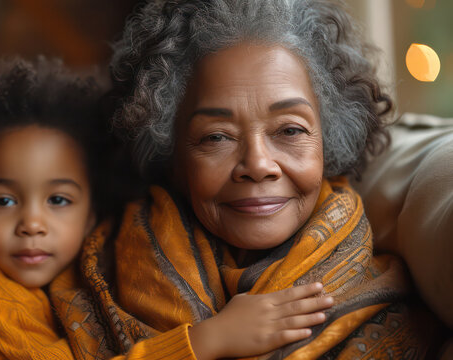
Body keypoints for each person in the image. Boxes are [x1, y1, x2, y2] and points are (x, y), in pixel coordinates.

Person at [0, 59, 333, 360]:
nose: (32, 223)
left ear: (91, 217)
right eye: (3, 201)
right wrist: (205, 340)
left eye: (59, 200)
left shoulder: (93, 263)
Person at [51, 0, 441, 359]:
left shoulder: (395, 307)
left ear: (330, 139)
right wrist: (203, 343)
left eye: (289, 130)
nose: (257, 164)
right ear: (171, 155)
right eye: (216, 136)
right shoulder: (85, 268)